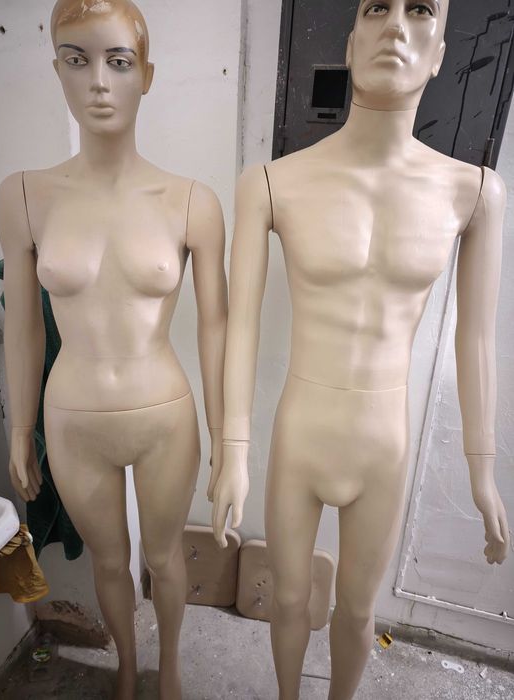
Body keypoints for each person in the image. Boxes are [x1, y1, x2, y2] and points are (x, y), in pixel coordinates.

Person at [212, 1, 510, 698]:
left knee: (356, 611)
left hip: (383, 446)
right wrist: (232, 450)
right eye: (377, 7)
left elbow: (474, 337)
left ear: (439, 53)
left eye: (419, 10)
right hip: (302, 434)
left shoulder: (473, 192)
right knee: (287, 600)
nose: (395, 27)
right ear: (349, 44)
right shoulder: (272, 183)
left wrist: (483, 469)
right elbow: (240, 325)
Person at [0, 2, 227, 698]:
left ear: (146, 75)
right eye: (77, 59)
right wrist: (20, 427)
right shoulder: (24, 195)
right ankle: (127, 666)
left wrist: (229, 440)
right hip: (72, 418)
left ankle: (172, 665)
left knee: (165, 556)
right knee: (107, 560)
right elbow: (23, 325)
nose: (98, 81)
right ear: (57, 70)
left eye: (118, 62)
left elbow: (215, 326)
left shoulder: (191, 201)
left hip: (164, 415)